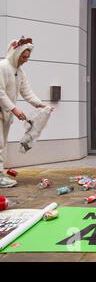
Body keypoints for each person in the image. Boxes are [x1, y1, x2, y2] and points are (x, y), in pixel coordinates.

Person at [0, 37, 52, 188]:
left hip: (5, 114)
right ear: (16, 54)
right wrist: (14, 109)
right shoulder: (3, 67)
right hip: (4, 111)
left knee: (2, 145)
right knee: (0, 143)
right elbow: (0, 92)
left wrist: (41, 105)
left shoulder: (19, 71)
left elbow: (26, 92)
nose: (26, 60)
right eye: (24, 57)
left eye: (28, 57)